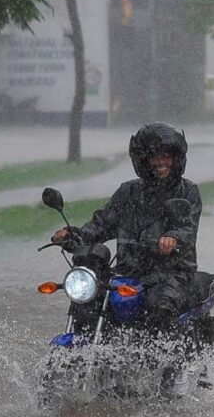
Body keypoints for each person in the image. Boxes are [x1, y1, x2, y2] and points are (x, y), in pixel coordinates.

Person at [51, 122, 202, 329]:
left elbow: (187, 229)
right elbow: (101, 224)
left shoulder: (188, 192)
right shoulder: (128, 192)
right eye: (154, 156)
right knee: (89, 303)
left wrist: (172, 238)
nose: (160, 161)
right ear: (144, 161)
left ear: (176, 158)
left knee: (160, 308)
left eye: (165, 155)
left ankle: (167, 358)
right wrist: (72, 235)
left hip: (171, 274)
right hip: (128, 273)